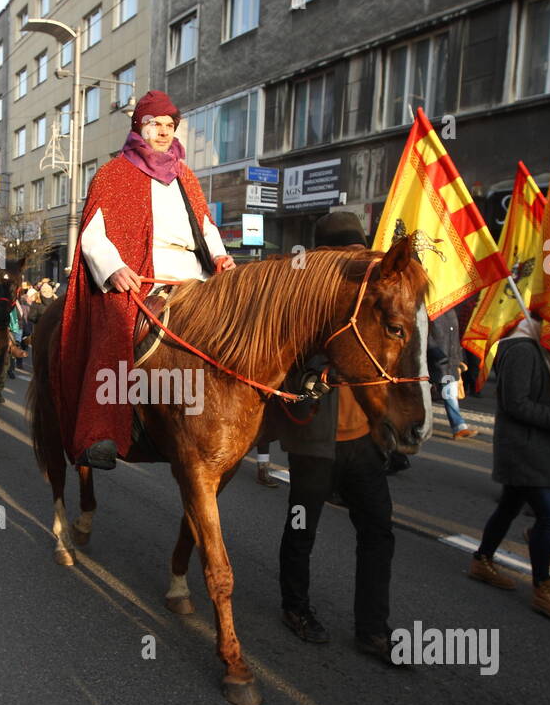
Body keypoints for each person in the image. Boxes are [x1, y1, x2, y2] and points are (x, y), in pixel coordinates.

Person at [54, 89, 235, 470]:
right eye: (156, 124)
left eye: (170, 126)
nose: (164, 132)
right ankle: (102, 431)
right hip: (141, 274)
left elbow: (205, 224)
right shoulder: (113, 173)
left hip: (194, 275)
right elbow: (93, 234)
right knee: (114, 327)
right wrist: (113, 268)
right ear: (140, 126)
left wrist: (219, 254)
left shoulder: (185, 176)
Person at [264, 211, 406, 665]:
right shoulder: (305, 302)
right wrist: (316, 369)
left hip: (362, 440)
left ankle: (373, 629)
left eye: (359, 255)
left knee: (378, 532)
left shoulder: (371, 301)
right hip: (315, 442)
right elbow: (279, 361)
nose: (355, 262)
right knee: (303, 528)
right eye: (346, 255)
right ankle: (296, 607)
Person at [465, 316, 550, 621]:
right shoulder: (522, 349)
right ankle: (543, 588)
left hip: (536, 447)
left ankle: (482, 559)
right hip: (524, 449)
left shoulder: (540, 348)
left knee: (508, 507)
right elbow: (515, 403)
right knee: (549, 517)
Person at [429, 308, 474, 438]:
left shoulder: (452, 312)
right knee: (433, 396)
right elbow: (427, 340)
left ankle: (459, 426)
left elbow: (455, 340)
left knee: (450, 394)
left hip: (450, 363)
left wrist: (459, 360)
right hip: (435, 362)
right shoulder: (431, 312)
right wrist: (437, 356)